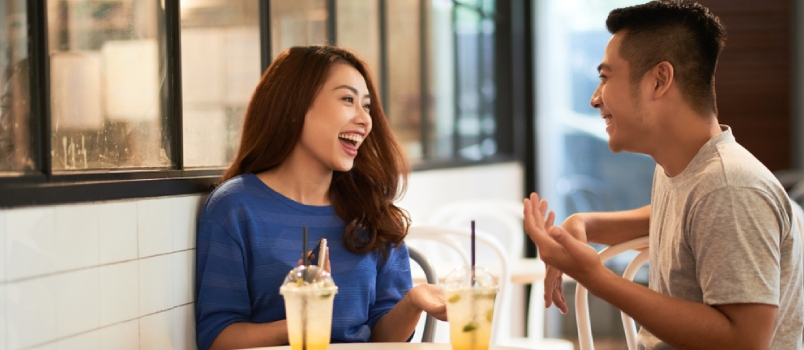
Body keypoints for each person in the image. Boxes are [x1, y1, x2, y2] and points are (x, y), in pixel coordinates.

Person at [523, 1, 804, 349]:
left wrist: (594, 276)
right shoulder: (694, 173)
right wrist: (588, 225)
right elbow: (689, 221)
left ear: (659, 80)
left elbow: (745, 341)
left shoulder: (730, 186)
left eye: (606, 77)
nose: (595, 99)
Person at [195, 46, 446, 350]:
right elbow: (216, 336)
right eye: (347, 99)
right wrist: (301, 323)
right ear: (295, 107)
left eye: (366, 106)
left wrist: (411, 302)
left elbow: (384, 339)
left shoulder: (371, 210)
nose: (365, 120)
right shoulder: (234, 208)